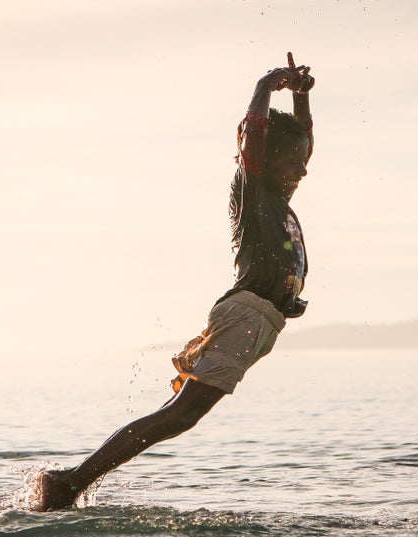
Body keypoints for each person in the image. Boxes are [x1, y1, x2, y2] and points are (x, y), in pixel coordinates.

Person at [35, 54, 316, 511]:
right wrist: (267, 84)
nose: (302, 170)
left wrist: (301, 99)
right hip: (245, 314)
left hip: (261, 322)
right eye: (292, 162)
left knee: (178, 416)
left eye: (303, 162)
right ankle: (69, 482)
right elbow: (254, 133)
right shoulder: (254, 191)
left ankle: (71, 481)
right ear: (264, 161)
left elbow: (302, 141)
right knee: (180, 415)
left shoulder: (279, 197)